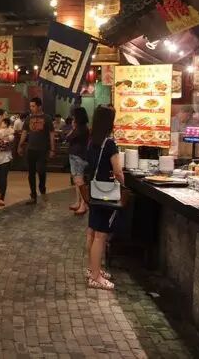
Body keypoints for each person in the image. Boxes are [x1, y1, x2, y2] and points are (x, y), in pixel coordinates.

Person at [85, 105, 123, 291]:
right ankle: (95, 277)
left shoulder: (92, 140)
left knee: (92, 232)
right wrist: (123, 183)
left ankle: (93, 269)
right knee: (101, 235)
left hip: (94, 190)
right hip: (106, 193)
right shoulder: (109, 143)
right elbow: (118, 171)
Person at [17, 97, 55, 205]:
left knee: (42, 171)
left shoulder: (47, 118)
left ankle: (42, 189)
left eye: (33, 106)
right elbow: (24, 132)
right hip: (30, 149)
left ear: (39, 106)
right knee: (31, 173)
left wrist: (52, 149)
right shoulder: (29, 118)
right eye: (30, 106)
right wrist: (20, 145)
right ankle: (33, 195)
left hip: (43, 149)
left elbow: (51, 134)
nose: (31, 108)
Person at [67, 107, 90, 215]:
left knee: (80, 181)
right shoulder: (81, 128)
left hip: (79, 156)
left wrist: (73, 128)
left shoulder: (82, 128)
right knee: (77, 181)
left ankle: (83, 204)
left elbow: (68, 138)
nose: (73, 118)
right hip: (75, 155)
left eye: (74, 116)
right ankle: (78, 202)